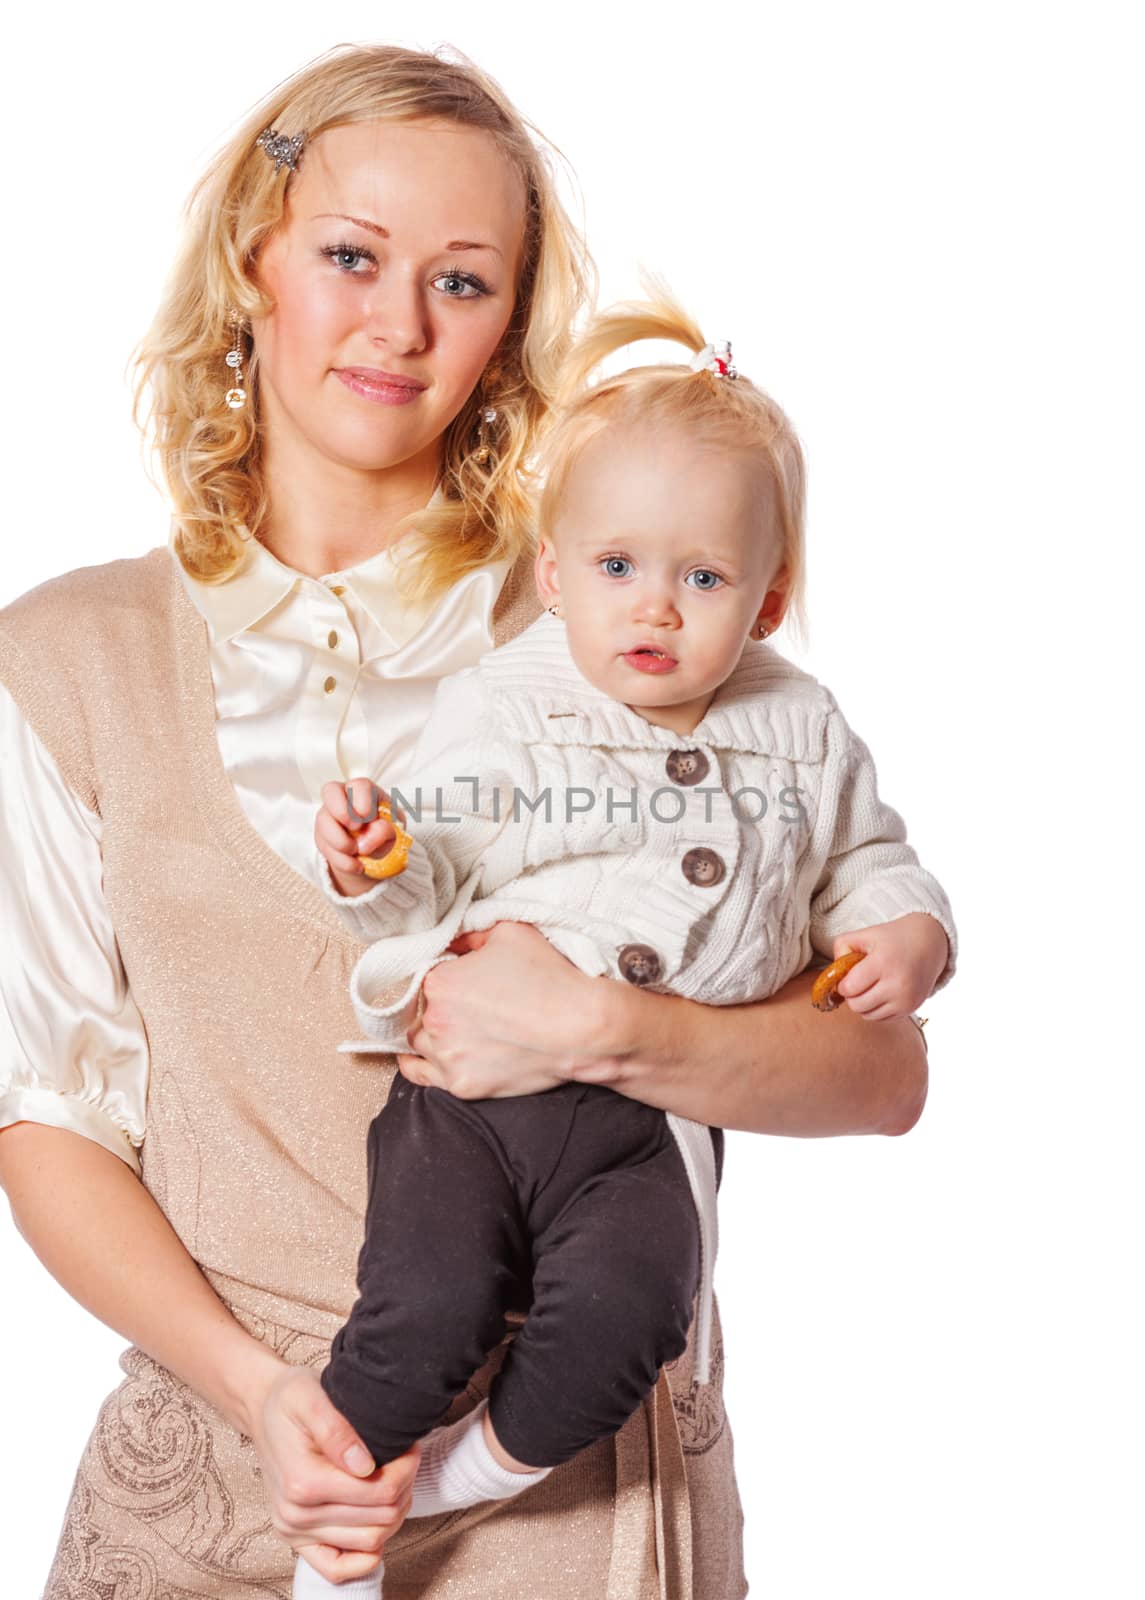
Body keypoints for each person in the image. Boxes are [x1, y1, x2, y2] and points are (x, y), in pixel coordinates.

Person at [0, 42, 932, 1600]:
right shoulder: (68, 660)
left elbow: (878, 1067)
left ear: (510, 324)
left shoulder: (629, 608)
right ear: (256, 262)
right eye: (351, 257)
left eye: (465, 280)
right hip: (215, 1499)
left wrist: (606, 1030)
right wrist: (265, 1395)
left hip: (571, 1499)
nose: (397, 323)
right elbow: (49, 1119)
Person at [291, 291, 957, 1597]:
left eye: (700, 579)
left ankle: (457, 1477)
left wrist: (911, 931)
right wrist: (377, 861)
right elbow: (426, 873)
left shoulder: (801, 732)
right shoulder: (500, 708)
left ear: (764, 604)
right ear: (552, 576)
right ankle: (338, 1553)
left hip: (648, 1130)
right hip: (477, 1104)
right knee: (419, 1308)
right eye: (614, 569)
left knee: (629, 1316)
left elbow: (864, 855)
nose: (653, 608)